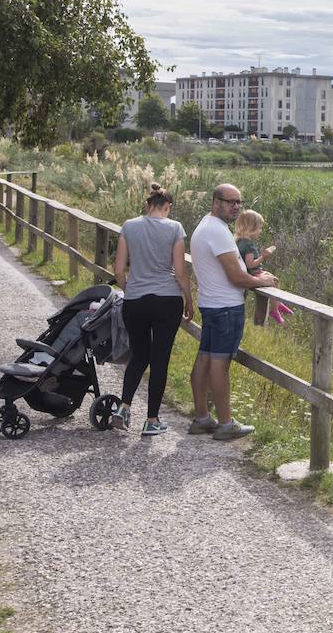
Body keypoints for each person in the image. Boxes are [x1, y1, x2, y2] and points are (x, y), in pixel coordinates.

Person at [188, 183, 277, 440]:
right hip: (225, 308)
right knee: (219, 364)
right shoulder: (216, 231)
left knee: (204, 359)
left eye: (239, 202)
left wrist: (255, 275)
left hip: (211, 304)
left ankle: (202, 418)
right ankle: (226, 424)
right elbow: (237, 276)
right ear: (216, 202)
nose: (236, 207)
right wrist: (263, 281)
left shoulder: (207, 226)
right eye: (230, 202)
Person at [110, 183, 193, 436]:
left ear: (148, 205)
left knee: (139, 355)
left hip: (135, 300)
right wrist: (188, 298)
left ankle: (123, 408)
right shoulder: (175, 227)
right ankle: (152, 420)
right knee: (160, 359)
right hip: (167, 300)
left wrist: (130, 288)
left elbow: (118, 270)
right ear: (167, 207)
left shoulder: (129, 225)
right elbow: (179, 272)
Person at [233, 209, 294, 324]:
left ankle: (277, 305)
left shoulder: (238, 241)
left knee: (272, 277)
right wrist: (263, 256)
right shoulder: (249, 244)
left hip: (244, 272)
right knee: (274, 280)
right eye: (259, 228)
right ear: (251, 228)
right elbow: (250, 264)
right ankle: (275, 310)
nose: (260, 231)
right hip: (251, 273)